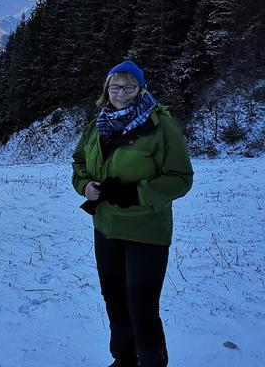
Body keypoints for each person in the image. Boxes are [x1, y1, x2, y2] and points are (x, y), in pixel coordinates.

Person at [72, 60, 193, 367]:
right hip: (106, 228)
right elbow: (79, 164)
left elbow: (181, 178)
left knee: (141, 305)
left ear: (141, 89)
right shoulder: (97, 125)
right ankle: (123, 359)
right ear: (106, 90)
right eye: (115, 86)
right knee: (114, 299)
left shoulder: (160, 126)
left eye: (129, 86)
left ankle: (152, 361)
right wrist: (85, 186)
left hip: (146, 230)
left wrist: (138, 193)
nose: (121, 93)